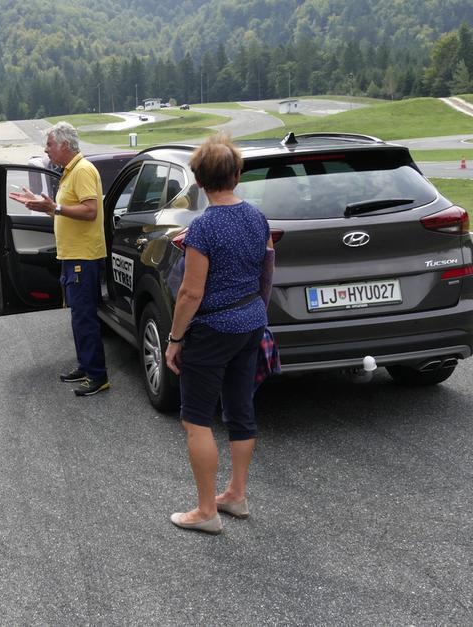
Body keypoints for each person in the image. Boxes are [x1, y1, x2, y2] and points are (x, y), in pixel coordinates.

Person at [163, 133, 274, 534]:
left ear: (199, 180)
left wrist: (174, 340)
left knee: (195, 419)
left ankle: (206, 510)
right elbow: (259, 267)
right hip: (250, 321)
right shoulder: (256, 217)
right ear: (237, 175)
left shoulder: (205, 227)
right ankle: (236, 495)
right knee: (240, 410)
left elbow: (191, 292)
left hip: (213, 329)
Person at [9, 121, 109, 397]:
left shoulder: (83, 170)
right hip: (72, 255)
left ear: (65, 145)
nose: (46, 149)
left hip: (83, 256)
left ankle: (97, 376)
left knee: (85, 317)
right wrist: (44, 207)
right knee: (78, 317)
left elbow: (90, 211)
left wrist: (55, 206)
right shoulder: (69, 172)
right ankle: (86, 365)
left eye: (50, 144)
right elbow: (65, 211)